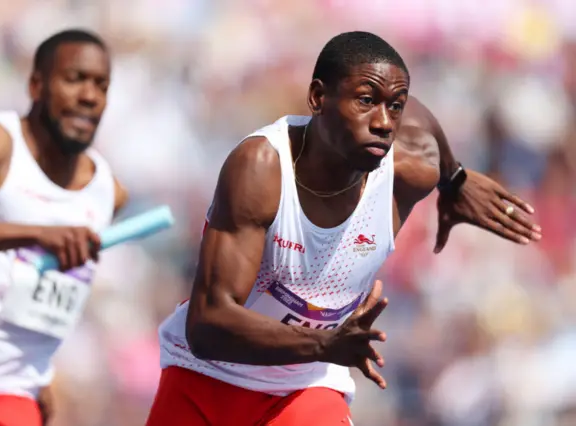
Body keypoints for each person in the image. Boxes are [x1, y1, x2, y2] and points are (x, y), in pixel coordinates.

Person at [146, 31, 541, 426]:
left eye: (394, 107)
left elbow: (418, 119)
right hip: (205, 380)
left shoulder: (410, 172)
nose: (384, 122)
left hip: (305, 390)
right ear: (318, 97)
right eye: (366, 101)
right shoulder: (262, 169)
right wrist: (323, 342)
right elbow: (207, 325)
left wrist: (454, 179)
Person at [0, 29, 127, 426]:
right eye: (75, 79)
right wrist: (35, 234)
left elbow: (43, 297)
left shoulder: (108, 193)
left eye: (101, 85)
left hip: (9, 394)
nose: (90, 96)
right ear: (36, 85)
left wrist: (41, 372)